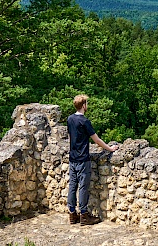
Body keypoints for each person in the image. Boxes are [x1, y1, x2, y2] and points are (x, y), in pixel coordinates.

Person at [67, 94, 119, 225]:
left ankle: (72, 214)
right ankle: (84, 215)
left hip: (72, 158)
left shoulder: (70, 119)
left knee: (72, 186)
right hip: (83, 159)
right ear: (83, 105)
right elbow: (96, 140)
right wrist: (110, 149)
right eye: (87, 104)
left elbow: (70, 137)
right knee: (83, 187)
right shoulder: (84, 122)